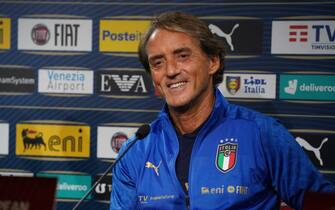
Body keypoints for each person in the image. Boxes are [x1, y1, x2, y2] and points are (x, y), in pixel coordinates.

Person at [110, 11, 334, 210]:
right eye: (158, 63)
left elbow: (322, 204)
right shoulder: (135, 152)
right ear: (153, 79)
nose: (170, 71)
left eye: (182, 56)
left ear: (212, 62)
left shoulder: (262, 134)